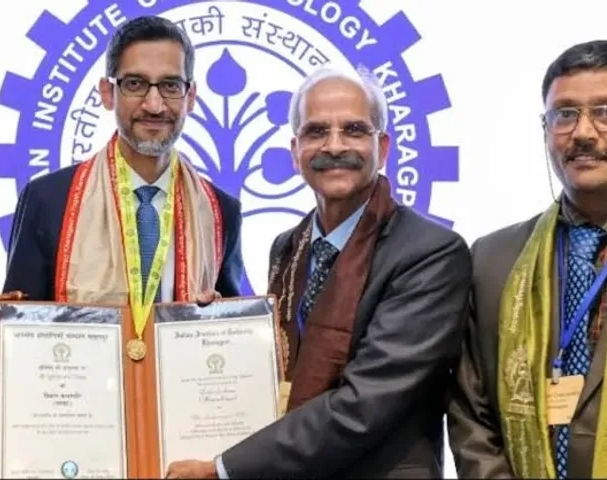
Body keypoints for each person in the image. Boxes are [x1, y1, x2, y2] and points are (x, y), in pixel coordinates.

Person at [165, 66, 471, 478]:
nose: (335, 145)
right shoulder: (287, 247)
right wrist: (221, 330)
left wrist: (222, 468)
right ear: (295, 151)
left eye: (354, 130)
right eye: (316, 132)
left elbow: (365, 405)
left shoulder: (430, 254)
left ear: (383, 145)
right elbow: (280, 373)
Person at [447, 40, 607, 479]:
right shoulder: (492, 260)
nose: (583, 133)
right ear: (544, 129)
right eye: (564, 114)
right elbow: (472, 415)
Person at [2, 16, 243, 313]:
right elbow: (18, 329)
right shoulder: (49, 200)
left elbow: (232, 328)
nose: (154, 105)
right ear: (107, 92)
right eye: (135, 84)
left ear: (190, 96)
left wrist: (216, 318)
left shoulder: (220, 211)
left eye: (170, 85)